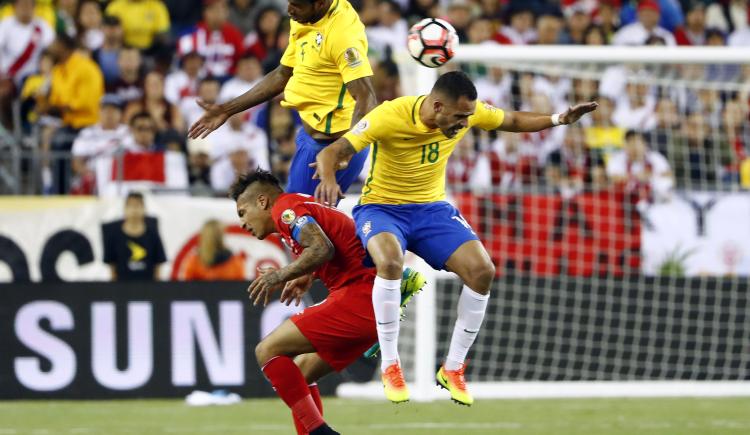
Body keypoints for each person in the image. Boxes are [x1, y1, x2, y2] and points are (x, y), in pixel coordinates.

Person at [314, 71, 597, 405]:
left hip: (431, 210)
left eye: (469, 116)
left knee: (483, 271)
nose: (466, 123)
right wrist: (330, 178)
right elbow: (331, 152)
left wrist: (558, 118)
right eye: (460, 117)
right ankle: (391, 364)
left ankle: (452, 368)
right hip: (382, 208)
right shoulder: (390, 115)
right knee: (390, 262)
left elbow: (514, 120)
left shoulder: (467, 111)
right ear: (437, 106)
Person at [230, 170, 417, 435]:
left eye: (242, 212)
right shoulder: (298, 205)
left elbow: (321, 248)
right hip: (375, 300)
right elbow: (338, 246)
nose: (242, 223)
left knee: (267, 350)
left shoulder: (285, 209)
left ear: (262, 201)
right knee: (302, 372)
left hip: (361, 295)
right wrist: (310, 274)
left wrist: (280, 275)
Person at [187, 0, 378, 197]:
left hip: (333, 147)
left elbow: (367, 99)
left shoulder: (342, 34)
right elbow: (282, 74)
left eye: (296, 5)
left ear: (320, 4)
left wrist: (345, 149)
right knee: (296, 219)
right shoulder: (305, 16)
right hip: (309, 138)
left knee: (295, 218)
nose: (288, 10)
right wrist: (227, 109)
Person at [102, 192, 167, 281]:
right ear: (125, 209)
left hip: (148, 288)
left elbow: (158, 267)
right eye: (131, 205)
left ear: (144, 209)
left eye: (138, 205)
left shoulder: (153, 235)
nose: (134, 210)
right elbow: (112, 269)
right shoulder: (114, 236)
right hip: (122, 288)